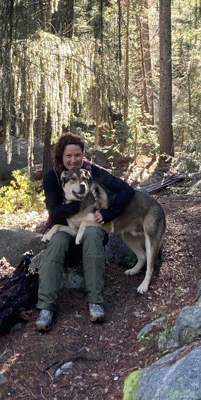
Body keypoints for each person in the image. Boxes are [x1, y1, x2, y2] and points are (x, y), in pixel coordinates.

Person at [35, 133, 135, 332]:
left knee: (92, 235)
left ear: (83, 155)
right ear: (61, 157)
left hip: (91, 227)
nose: (73, 160)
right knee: (55, 244)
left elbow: (127, 190)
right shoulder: (53, 177)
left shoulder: (93, 172)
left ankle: (95, 302)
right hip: (64, 227)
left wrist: (108, 213)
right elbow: (55, 212)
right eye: (68, 156)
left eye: (78, 155)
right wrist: (83, 203)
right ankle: (46, 307)